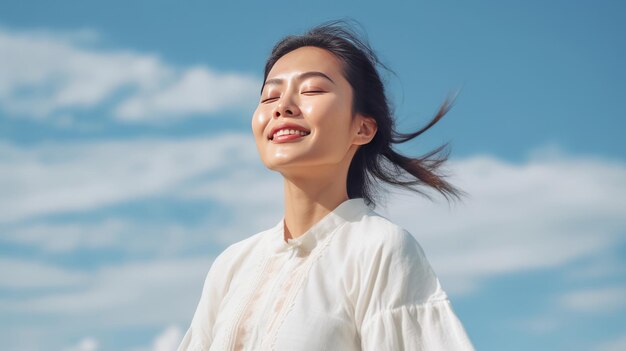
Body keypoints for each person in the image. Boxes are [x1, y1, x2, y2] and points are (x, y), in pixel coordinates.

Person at [177, 20, 475, 351]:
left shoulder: (379, 248)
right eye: (269, 95)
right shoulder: (231, 265)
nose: (283, 106)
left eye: (312, 90)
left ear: (362, 128)